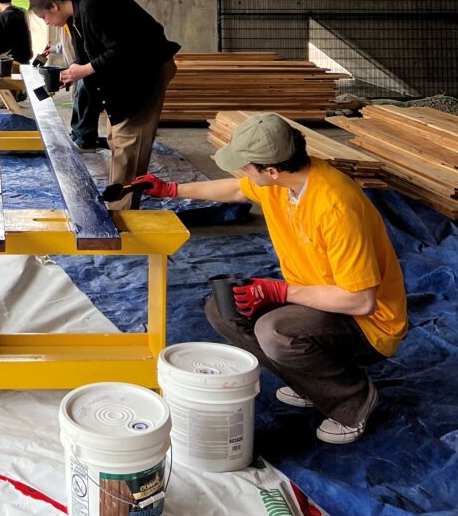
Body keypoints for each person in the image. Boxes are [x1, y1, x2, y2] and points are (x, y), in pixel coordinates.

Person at [123, 113, 408, 445]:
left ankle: (352, 404)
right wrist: (170, 189)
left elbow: (360, 300)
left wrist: (278, 291)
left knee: (275, 332)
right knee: (223, 308)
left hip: (367, 322)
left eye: (247, 167)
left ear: (271, 170)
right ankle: (309, 381)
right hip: (318, 297)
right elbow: (235, 189)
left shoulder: (335, 206)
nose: (241, 173)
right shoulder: (282, 182)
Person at [27, 0, 179, 185]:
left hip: (146, 71)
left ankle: (121, 212)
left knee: (128, 145)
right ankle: (119, 204)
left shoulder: (94, 3)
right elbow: (90, 57)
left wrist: (84, 70)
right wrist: (73, 73)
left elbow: (124, 48)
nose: (46, 22)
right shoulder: (76, 15)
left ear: (54, 5)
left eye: (44, 16)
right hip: (129, 72)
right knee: (116, 137)